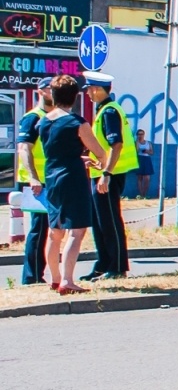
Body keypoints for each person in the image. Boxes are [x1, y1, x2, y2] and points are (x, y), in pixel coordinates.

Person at [38, 75, 109, 294]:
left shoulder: (43, 122)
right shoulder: (77, 122)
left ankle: (54, 278)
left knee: (54, 232)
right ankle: (68, 280)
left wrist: (80, 158)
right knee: (76, 231)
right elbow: (100, 152)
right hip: (73, 179)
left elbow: (59, 153)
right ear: (75, 97)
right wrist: (100, 164)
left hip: (51, 178)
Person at [83, 71, 135, 281]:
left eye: (89, 88)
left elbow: (117, 144)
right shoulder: (104, 110)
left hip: (110, 175)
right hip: (103, 173)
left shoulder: (109, 112)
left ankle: (117, 267)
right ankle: (103, 264)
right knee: (99, 221)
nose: (87, 93)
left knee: (110, 220)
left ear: (97, 89)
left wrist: (106, 173)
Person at [16, 79, 54, 285]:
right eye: (50, 89)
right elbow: (24, 148)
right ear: (40, 91)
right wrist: (33, 177)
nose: (53, 92)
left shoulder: (52, 117)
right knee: (38, 230)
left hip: (50, 180)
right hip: (37, 183)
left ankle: (37, 274)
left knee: (47, 229)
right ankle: (31, 277)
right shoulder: (33, 117)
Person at [134, 129, 154, 198]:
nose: (140, 136)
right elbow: (135, 151)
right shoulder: (136, 143)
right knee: (139, 177)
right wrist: (137, 142)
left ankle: (145, 193)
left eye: (141, 134)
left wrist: (147, 151)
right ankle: (141, 194)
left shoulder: (148, 143)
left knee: (147, 178)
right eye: (139, 134)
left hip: (147, 159)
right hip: (140, 159)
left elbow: (152, 153)